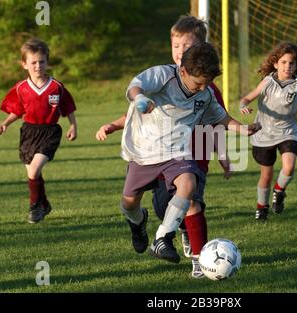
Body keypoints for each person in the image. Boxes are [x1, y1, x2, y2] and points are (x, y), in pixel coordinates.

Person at [96, 15, 232, 278]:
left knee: (192, 201)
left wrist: (223, 154)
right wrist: (113, 125)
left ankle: (199, 259)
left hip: (192, 153)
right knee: (160, 207)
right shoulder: (164, 78)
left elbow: (217, 122)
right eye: (176, 46)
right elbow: (146, 110)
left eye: (187, 46)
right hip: (151, 152)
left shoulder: (207, 89)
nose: (181, 52)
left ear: (201, 49)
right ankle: (164, 228)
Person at [117, 42, 260, 267]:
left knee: (189, 183)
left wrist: (243, 129)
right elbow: (136, 85)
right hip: (144, 151)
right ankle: (138, 222)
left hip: (177, 152)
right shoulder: (163, 75)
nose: (203, 89)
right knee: (128, 204)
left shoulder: (206, 93)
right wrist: (139, 98)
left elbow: (220, 118)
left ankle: (162, 237)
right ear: (183, 71)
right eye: (198, 83)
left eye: (207, 84)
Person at [0, 38, 77, 224]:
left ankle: (34, 207)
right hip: (28, 133)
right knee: (33, 174)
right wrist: (5, 123)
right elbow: (17, 111)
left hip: (50, 132)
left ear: (47, 62)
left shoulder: (56, 87)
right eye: (33, 62)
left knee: (34, 170)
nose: (38, 66)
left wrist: (73, 126)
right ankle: (44, 204)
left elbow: (68, 108)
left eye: (42, 61)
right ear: (24, 64)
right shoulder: (21, 88)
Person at [240, 41, 297, 221]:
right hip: (264, 133)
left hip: (288, 132)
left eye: (292, 63)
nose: (288, 66)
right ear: (275, 64)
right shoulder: (267, 82)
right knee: (266, 175)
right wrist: (243, 106)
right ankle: (261, 207)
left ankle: (279, 191)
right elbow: (247, 98)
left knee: (289, 166)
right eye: (284, 62)